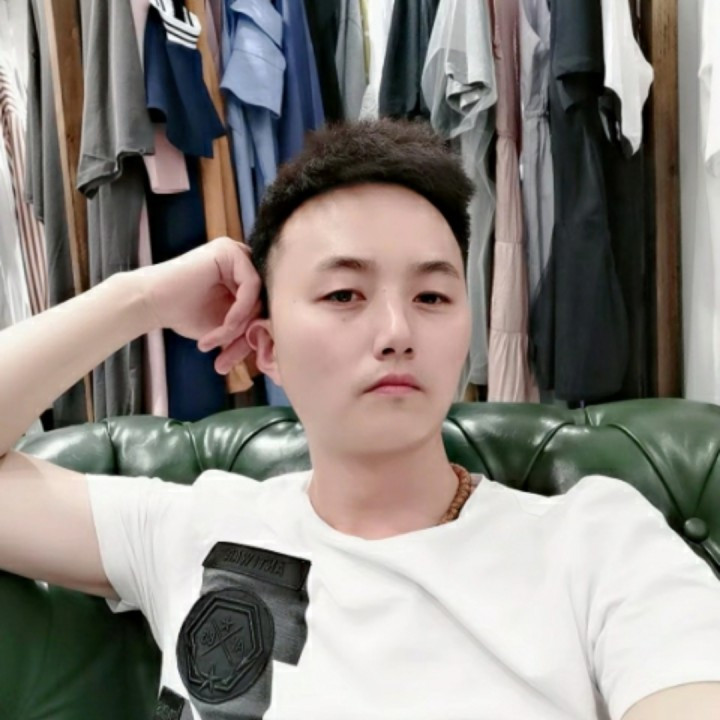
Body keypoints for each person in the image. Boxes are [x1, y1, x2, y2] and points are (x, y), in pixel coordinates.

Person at [0, 119, 719, 720]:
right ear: (267, 347)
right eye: (345, 294)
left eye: (432, 297)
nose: (397, 331)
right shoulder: (192, 526)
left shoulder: (595, 543)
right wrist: (141, 298)